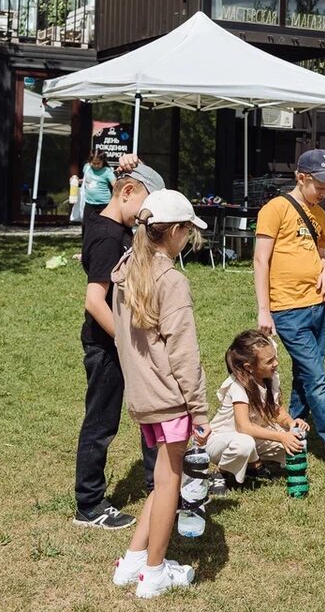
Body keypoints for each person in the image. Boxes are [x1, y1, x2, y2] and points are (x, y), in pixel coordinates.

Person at [108, 189, 210, 598]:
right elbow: (184, 353)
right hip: (169, 399)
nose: (188, 238)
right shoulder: (171, 281)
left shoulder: (127, 269)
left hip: (143, 397)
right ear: (176, 232)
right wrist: (200, 411)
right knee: (171, 483)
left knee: (160, 480)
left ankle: (134, 559)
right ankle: (154, 572)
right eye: (187, 231)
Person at [254, 149, 325, 476]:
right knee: (316, 376)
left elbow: (320, 254)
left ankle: (293, 433)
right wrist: (265, 309)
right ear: (301, 177)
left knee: (305, 375)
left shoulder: (321, 216)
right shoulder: (276, 209)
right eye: (321, 184)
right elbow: (261, 260)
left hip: (319, 306)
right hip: (287, 309)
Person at [74, 157, 165, 530]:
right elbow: (94, 301)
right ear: (128, 193)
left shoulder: (107, 219)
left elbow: (124, 180)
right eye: (145, 210)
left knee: (149, 410)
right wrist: (126, 342)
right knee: (101, 422)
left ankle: (158, 483)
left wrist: (134, 163)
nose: (147, 220)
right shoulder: (108, 236)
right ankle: (89, 503)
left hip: (125, 342)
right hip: (107, 346)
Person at [206, 330, 310, 493]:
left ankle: (251, 464)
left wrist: (291, 424)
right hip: (221, 441)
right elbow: (243, 428)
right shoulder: (238, 386)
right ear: (249, 367)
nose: (276, 363)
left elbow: (276, 411)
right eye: (269, 361)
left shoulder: (270, 377)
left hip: (251, 437)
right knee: (244, 444)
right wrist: (281, 436)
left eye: (275, 357)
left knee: (297, 442)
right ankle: (220, 474)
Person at [82, 151, 116, 229]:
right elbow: (87, 180)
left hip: (103, 203)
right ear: (90, 161)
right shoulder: (86, 167)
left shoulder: (107, 171)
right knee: (86, 225)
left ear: (103, 161)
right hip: (89, 203)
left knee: (102, 226)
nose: (96, 165)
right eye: (94, 163)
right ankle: (87, 241)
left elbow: (115, 185)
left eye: (98, 163)